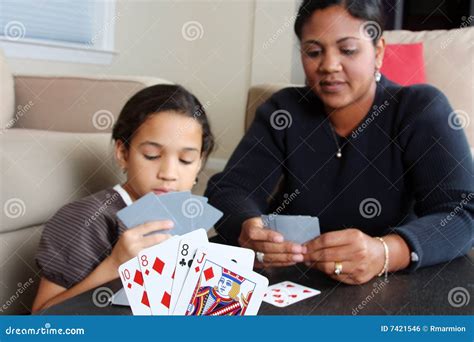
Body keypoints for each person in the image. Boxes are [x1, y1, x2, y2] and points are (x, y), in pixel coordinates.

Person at [205, 0, 473, 285]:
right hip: (293, 281)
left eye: (347, 50)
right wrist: (249, 226)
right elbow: (230, 188)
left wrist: (384, 253)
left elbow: (462, 212)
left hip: (392, 284)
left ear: (378, 51)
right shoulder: (283, 111)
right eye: (313, 52)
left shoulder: (420, 108)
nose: (329, 66)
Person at [33, 84, 215, 311]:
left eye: (186, 160)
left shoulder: (187, 218)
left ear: (200, 163)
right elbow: (40, 319)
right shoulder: (83, 220)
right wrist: (114, 265)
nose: (168, 174)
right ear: (122, 153)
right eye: (152, 155)